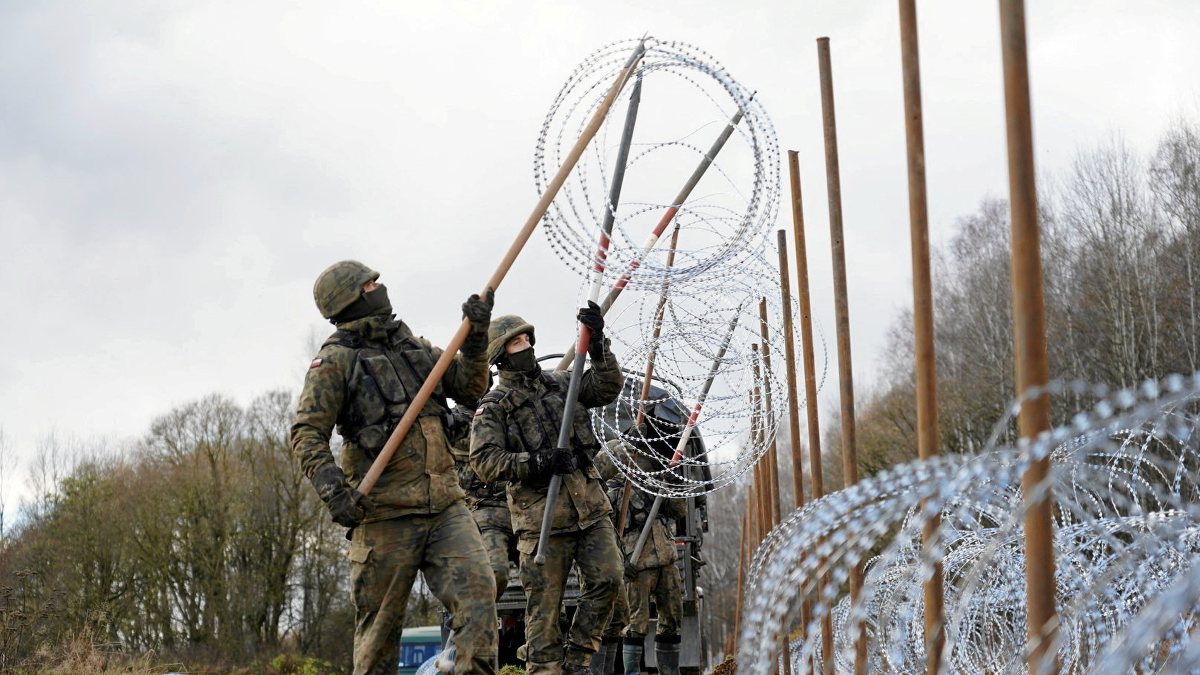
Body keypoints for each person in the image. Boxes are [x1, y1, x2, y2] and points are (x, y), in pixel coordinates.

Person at [291, 260, 498, 675]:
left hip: (445, 507)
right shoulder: (336, 361)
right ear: (349, 298)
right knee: (379, 639)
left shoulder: (413, 346)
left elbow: (471, 386)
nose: (379, 287)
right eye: (370, 284)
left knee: (479, 599)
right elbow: (306, 434)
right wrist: (335, 492)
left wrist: (475, 339)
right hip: (384, 514)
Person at [469, 307, 625, 675]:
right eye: (515, 343)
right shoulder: (494, 407)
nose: (525, 346)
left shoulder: (560, 385)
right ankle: (544, 670)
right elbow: (486, 462)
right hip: (541, 521)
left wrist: (598, 346)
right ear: (499, 355)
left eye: (526, 339)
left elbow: (606, 386)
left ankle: (577, 661)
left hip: (589, 508)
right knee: (544, 611)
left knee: (609, 578)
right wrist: (539, 462)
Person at [606, 424, 688, 675]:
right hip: (636, 561)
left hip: (665, 557)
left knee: (672, 618)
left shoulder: (657, 474)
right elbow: (606, 528)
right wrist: (619, 561)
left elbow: (679, 511)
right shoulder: (613, 481)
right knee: (635, 623)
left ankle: (669, 672)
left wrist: (671, 484)